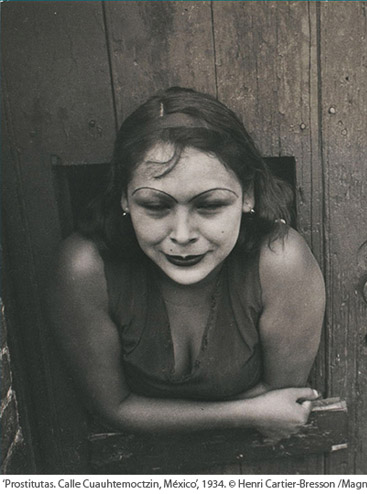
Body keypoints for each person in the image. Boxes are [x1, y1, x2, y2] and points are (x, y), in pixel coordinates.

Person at [47, 87, 326, 440]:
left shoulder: (280, 262)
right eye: (155, 206)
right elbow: (111, 407)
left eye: (210, 205)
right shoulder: (85, 269)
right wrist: (249, 413)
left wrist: (155, 412)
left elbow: (282, 395)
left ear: (248, 195)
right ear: (124, 198)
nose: (182, 234)